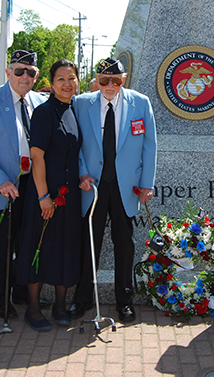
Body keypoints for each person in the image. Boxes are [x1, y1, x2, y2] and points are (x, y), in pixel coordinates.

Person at [69, 57, 158, 323]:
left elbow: (150, 145)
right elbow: (76, 143)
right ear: (96, 79)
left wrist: (147, 183)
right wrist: (82, 172)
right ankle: (82, 299)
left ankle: (125, 301)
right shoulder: (81, 103)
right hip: (93, 185)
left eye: (116, 81)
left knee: (124, 245)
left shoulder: (140, 103)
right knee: (90, 244)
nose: (110, 86)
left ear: (124, 79)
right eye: (105, 80)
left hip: (125, 186)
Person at [0, 49, 45, 318]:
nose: (24, 76)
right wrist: (0, 181)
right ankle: (0, 298)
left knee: (26, 241)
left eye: (30, 72)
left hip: (32, 185)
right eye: (19, 71)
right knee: (2, 245)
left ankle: (21, 290)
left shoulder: (40, 102)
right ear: (8, 72)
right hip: (3, 187)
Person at [16, 59, 83, 331]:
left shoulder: (76, 110)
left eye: (71, 78)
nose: (67, 84)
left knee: (65, 249)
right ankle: (33, 309)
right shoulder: (44, 112)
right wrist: (44, 196)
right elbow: (36, 156)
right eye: (60, 79)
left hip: (70, 196)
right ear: (52, 84)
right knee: (40, 248)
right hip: (44, 194)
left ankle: (60, 306)